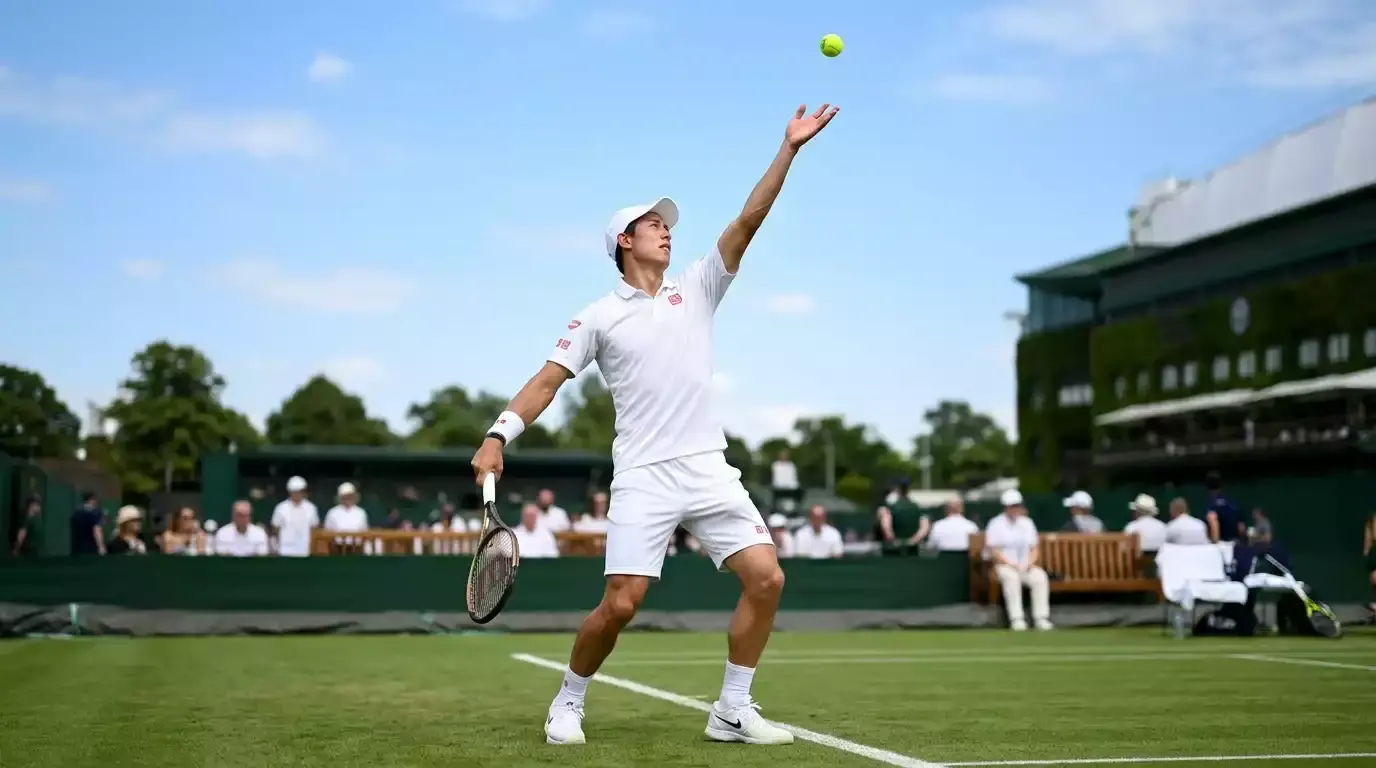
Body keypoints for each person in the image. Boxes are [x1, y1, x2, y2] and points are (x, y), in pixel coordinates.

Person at [470, 102, 839, 747]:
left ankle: (732, 709)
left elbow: (748, 221)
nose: (666, 231)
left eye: (666, 225)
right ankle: (568, 700)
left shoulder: (697, 286)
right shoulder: (597, 317)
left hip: (708, 465)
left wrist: (789, 150)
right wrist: (499, 434)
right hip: (643, 474)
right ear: (624, 242)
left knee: (768, 578)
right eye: (651, 225)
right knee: (622, 604)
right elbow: (546, 381)